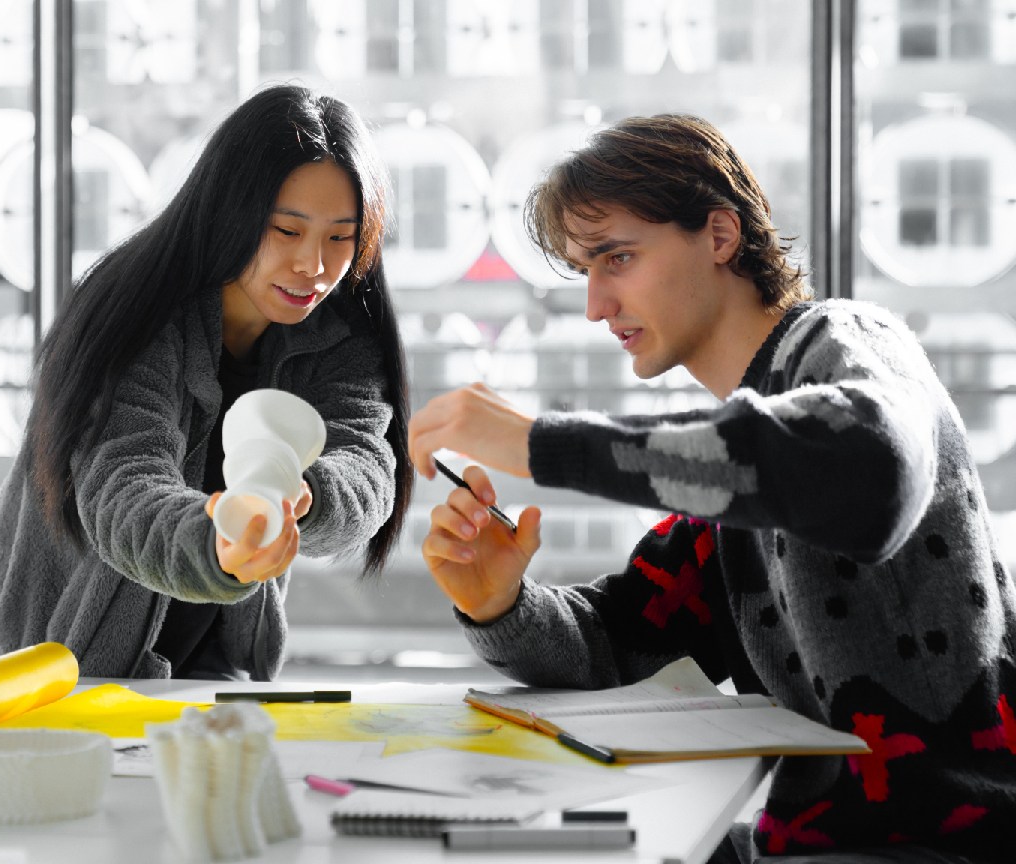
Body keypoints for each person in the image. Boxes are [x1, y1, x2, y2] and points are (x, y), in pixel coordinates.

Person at [409, 114, 1014, 863]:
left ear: (720, 235)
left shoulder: (849, 340)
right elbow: (617, 647)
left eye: (618, 257)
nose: (595, 305)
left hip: (944, 844)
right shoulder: (733, 483)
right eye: (585, 270)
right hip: (818, 845)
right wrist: (499, 601)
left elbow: (869, 474)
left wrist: (541, 445)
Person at [0, 84, 412, 681]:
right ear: (231, 211)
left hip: (223, 668)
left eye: (340, 237)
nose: (314, 266)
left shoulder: (342, 331)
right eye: (287, 231)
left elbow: (366, 463)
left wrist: (307, 494)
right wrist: (220, 544)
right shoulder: (137, 310)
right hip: (74, 667)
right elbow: (122, 487)